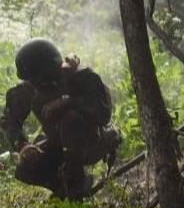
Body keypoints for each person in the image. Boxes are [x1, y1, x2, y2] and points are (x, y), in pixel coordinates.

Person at [1, 38, 120, 199]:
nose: (34, 83)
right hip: (58, 141)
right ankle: (63, 188)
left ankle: (76, 184)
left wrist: (66, 101)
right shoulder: (31, 89)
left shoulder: (81, 77)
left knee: (70, 121)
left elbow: (102, 114)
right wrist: (23, 145)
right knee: (26, 168)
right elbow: (10, 121)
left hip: (91, 141)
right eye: (31, 79)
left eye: (37, 78)